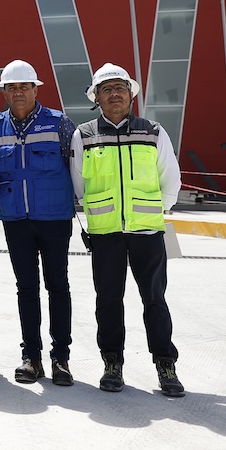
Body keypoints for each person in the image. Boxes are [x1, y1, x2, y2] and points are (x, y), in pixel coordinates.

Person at [70, 63, 184, 398]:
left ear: (131, 94)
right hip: (106, 235)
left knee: (155, 301)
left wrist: (151, 212)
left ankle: (166, 365)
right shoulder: (84, 135)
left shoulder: (153, 131)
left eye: (120, 87)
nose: (115, 94)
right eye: (107, 89)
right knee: (108, 301)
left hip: (148, 233)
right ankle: (112, 364)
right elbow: (79, 185)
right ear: (97, 98)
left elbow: (171, 179)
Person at [0, 60, 77, 386]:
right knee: (26, 289)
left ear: (35, 90)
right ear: (5, 92)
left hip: (54, 218)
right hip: (16, 220)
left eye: (24, 86)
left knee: (58, 286)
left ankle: (60, 359)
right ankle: (31, 358)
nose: (18, 92)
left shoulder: (60, 123)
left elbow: (76, 166)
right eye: (12, 87)